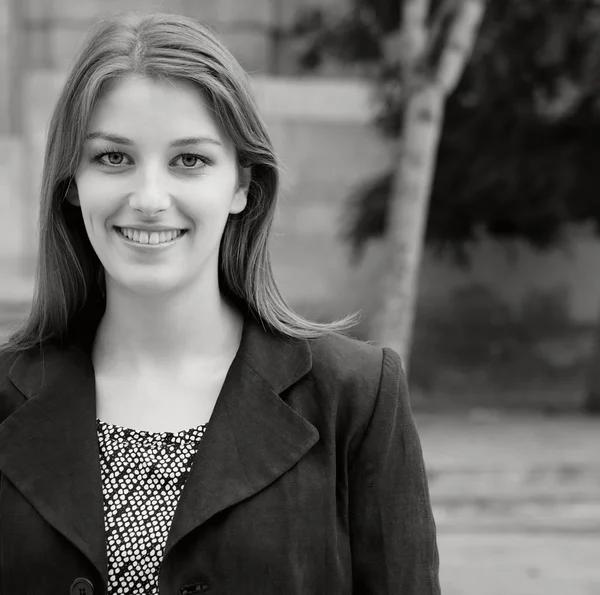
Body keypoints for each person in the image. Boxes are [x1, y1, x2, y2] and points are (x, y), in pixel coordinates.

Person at [0, 11, 440, 595]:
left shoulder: (355, 396)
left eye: (190, 160)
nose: (150, 198)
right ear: (71, 185)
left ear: (242, 186)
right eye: (113, 157)